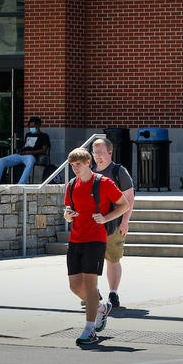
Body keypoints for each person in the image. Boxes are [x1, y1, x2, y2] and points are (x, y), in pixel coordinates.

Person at [64, 147, 129, 345]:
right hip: (75, 239)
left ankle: (90, 329)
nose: (75, 168)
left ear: (88, 163)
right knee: (75, 286)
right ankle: (100, 307)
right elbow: (68, 208)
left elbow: (124, 204)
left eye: (79, 164)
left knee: (91, 285)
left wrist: (106, 217)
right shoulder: (71, 185)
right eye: (73, 165)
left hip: (96, 239)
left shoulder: (104, 183)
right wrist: (67, 215)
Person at [92, 138, 135, 308]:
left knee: (113, 259)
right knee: (91, 259)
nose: (97, 157)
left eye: (101, 152)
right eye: (95, 153)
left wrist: (125, 221)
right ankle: (92, 291)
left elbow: (129, 199)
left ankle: (113, 293)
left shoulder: (118, 171)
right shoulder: (90, 171)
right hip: (93, 223)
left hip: (114, 223)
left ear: (110, 152)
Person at [0, 116, 50, 184]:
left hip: (31, 156)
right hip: (22, 153)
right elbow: (26, 145)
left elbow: (44, 150)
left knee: (30, 162)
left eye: (33, 127)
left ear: (38, 126)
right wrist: (21, 151)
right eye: (30, 127)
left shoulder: (44, 136)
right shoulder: (28, 134)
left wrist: (29, 152)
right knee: (2, 160)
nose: (31, 128)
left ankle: (21, 183)